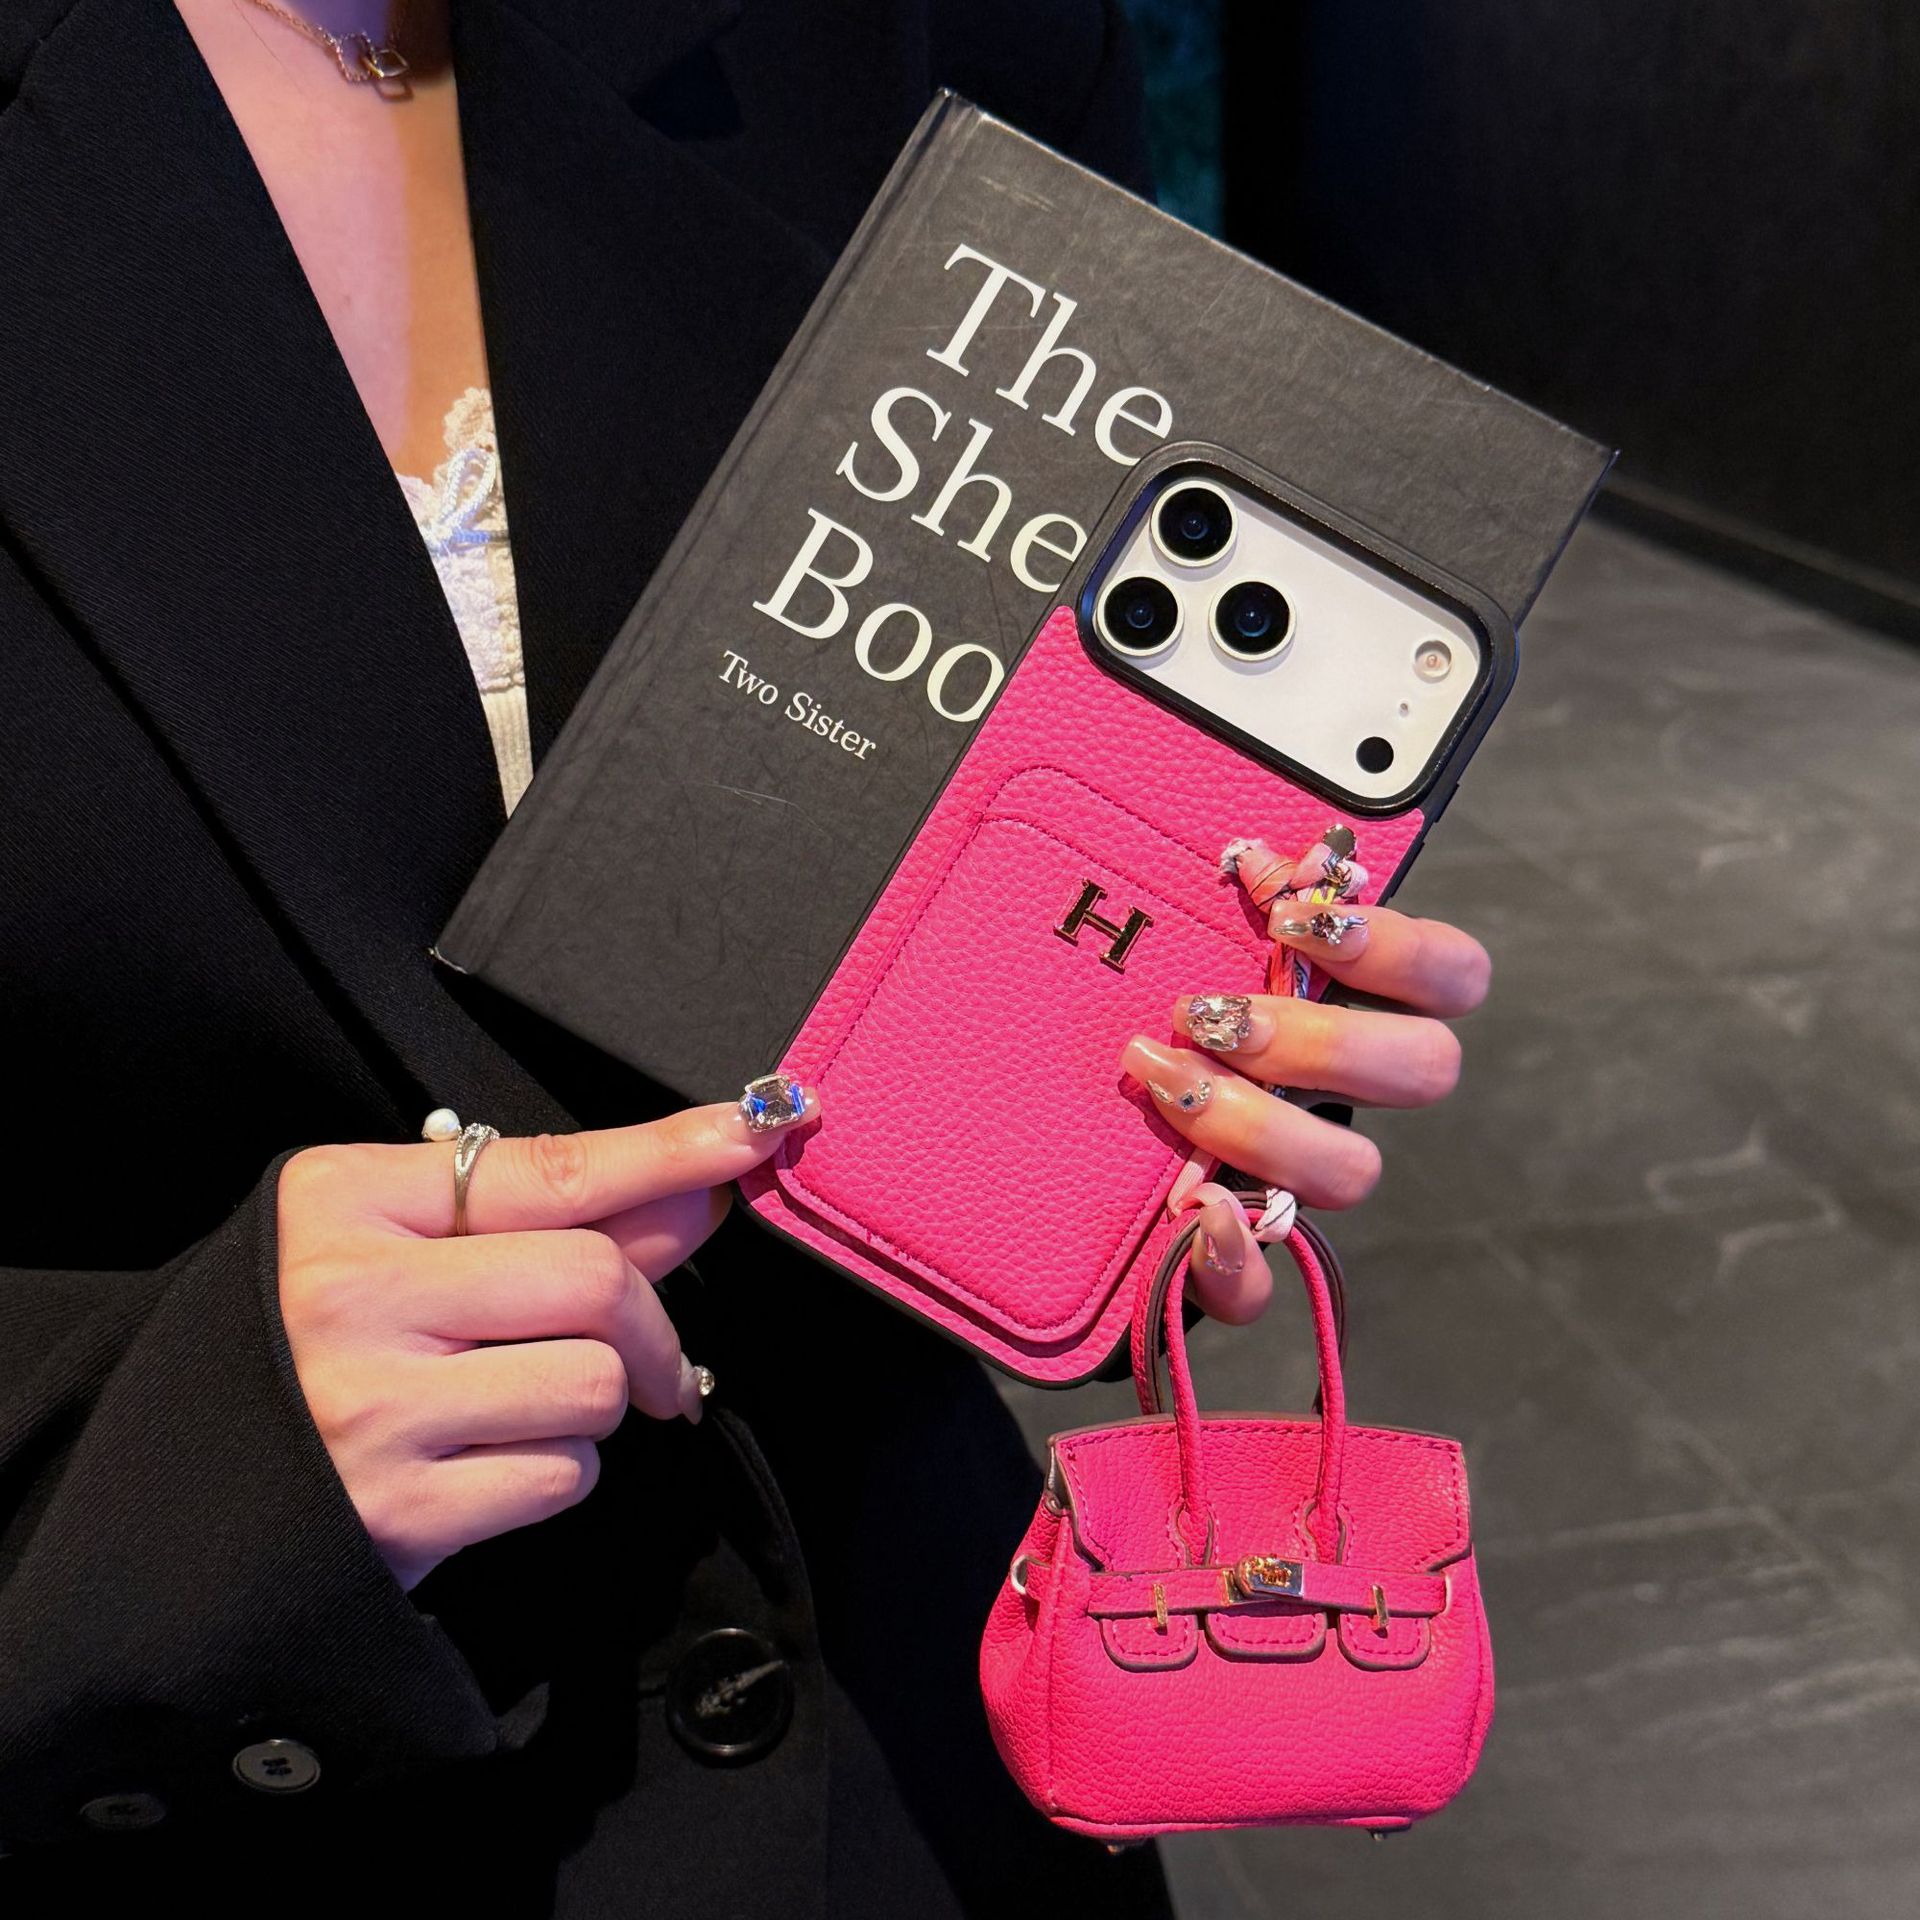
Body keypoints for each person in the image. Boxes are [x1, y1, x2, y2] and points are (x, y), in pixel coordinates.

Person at [0, 2, 1491, 1911]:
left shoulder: (936, 26)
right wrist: (174, 1455)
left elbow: (1006, 778)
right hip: (192, 1788)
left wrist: (1152, 1073)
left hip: (900, 1760)